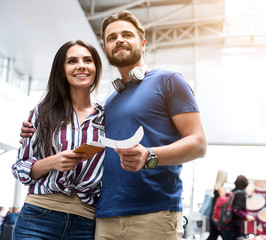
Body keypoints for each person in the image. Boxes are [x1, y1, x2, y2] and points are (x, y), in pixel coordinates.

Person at [20, 10, 207, 240]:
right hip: (104, 217)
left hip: (153, 213)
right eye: (111, 37)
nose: (119, 40)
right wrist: (34, 131)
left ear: (143, 42)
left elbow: (198, 144)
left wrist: (150, 156)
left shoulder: (168, 81)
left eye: (127, 34)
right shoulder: (109, 103)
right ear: (106, 49)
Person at [13, 40, 105, 239]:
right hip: (38, 217)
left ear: (95, 68)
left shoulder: (107, 118)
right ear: (62, 71)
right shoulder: (42, 112)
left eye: (87, 60)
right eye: (72, 61)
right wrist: (53, 162)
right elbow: (20, 168)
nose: (81, 65)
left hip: (85, 223)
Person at [222, 175, 255, 240]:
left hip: (227, 225)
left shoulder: (232, 192)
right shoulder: (240, 194)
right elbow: (236, 210)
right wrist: (247, 216)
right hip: (236, 227)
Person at [207, 170, 227, 240]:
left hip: (213, 215)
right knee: (225, 235)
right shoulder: (220, 188)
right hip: (217, 217)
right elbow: (225, 201)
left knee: (213, 235)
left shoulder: (216, 187)